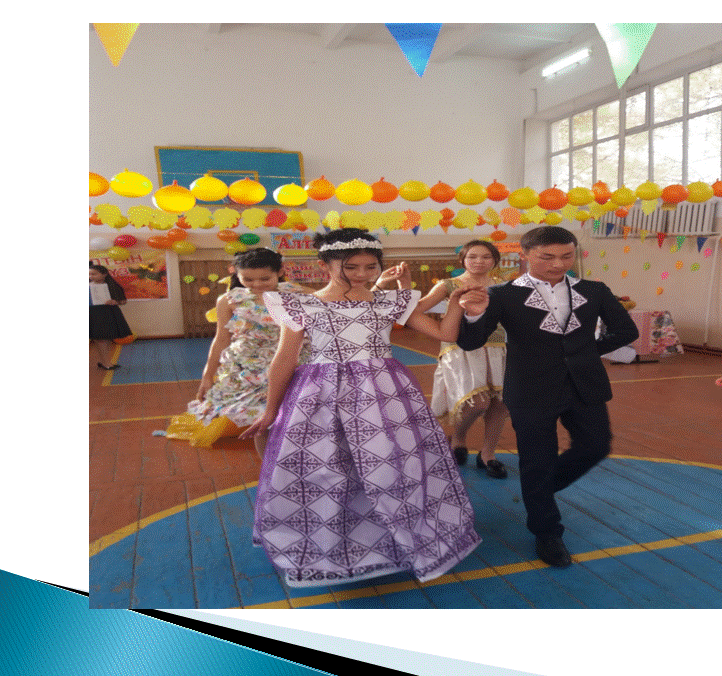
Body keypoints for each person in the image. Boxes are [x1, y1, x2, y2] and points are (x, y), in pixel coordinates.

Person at [241, 228, 482, 588]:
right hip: (322, 395)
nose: (362, 274)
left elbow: (445, 335)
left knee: (390, 465)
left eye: (371, 267)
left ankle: (395, 537)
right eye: (351, 267)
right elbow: (285, 359)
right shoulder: (302, 304)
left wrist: (454, 305)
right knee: (328, 468)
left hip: (384, 393)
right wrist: (270, 410)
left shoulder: (388, 301)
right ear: (324, 265)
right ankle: (336, 543)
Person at [456, 225, 639, 568]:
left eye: (567, 256)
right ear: (525, 255)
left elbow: (626, 330)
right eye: (547, 257)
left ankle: (539, 489)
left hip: (584, 384)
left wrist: (586, 353)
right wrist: (474, 314)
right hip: (529, 388)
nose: (558, 264)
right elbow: (470, 341)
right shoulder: (502, 294)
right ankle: (547, 532)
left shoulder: (594, 290)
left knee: (596, 445)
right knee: (536, 459)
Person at [165, 248, 308, 453]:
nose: (256, 285)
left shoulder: (299, 294)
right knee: (261, 420)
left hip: (291, 361)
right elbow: (221, 338)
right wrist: (208, 375)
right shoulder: (229, 300)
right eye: (248, 279)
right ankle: (268, 463)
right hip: (247, 367)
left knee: (292, 413)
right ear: (236, 274)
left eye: (265, 279)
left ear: (280, 271)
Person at [404, 240, 509, 478]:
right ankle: (459, 437)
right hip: (460, 349)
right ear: (463, 260)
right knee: (478, 403)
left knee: (501, 403)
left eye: (486, 257)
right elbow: (416, 309)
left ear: (495, 260)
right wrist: (404, 286)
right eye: (473, 256)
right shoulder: (448, 285)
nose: (479, 261)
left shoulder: (503, 285)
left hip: (499, 348)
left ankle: (488, 454)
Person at [89, 263, 133, 370]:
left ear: (104, 274)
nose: (90, 276)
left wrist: (115, 301)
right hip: (92, 313)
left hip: (108, 313)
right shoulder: (88, 285)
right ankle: (106, 363)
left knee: (107, 338)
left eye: (94, 274)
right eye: (89, 274)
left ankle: (105, 361)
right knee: (100, 339)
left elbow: (123, 301)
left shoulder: (112, 285)